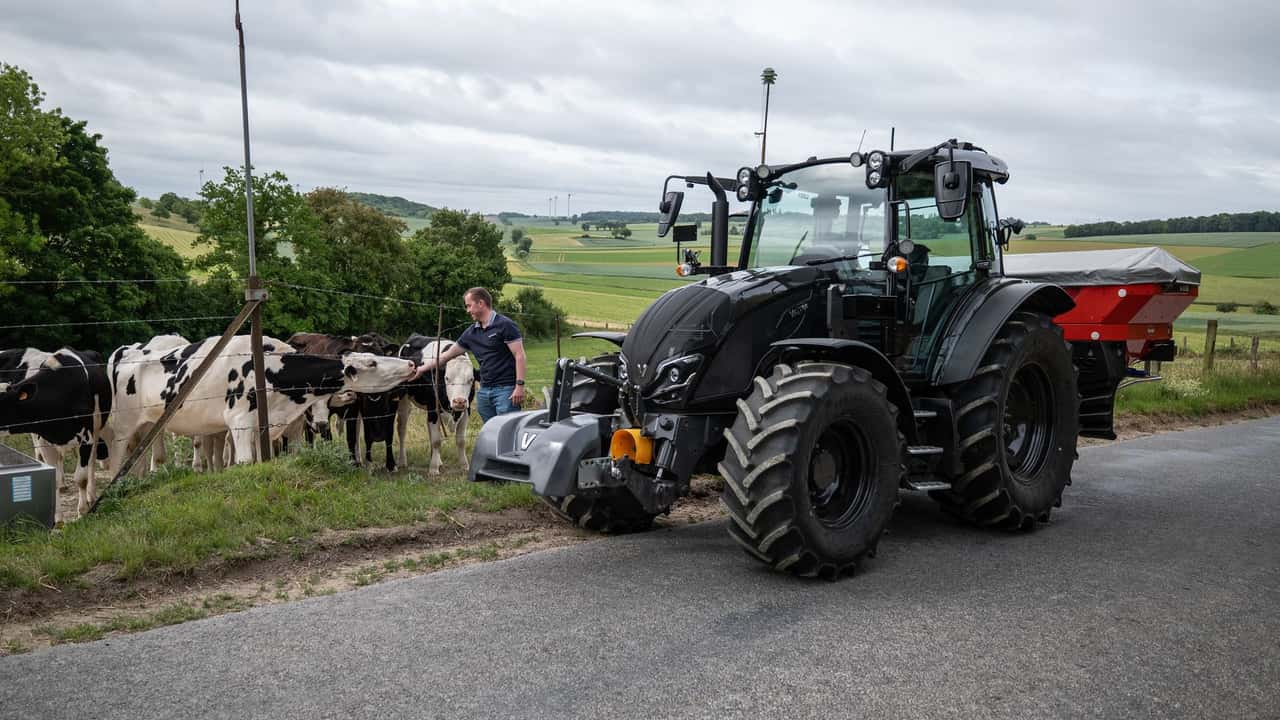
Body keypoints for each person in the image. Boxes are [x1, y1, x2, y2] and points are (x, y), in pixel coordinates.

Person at [412, 287, 526, 422]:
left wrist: (519, 386)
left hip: (506, 391)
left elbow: (520, 355)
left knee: (508, 430)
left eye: (469, 306)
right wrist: (421, 369)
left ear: (481, 303)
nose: (467, 310)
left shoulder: (505, 325)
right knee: (491, 432)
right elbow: (445, 356)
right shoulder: (471, 333)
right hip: (484, 391)